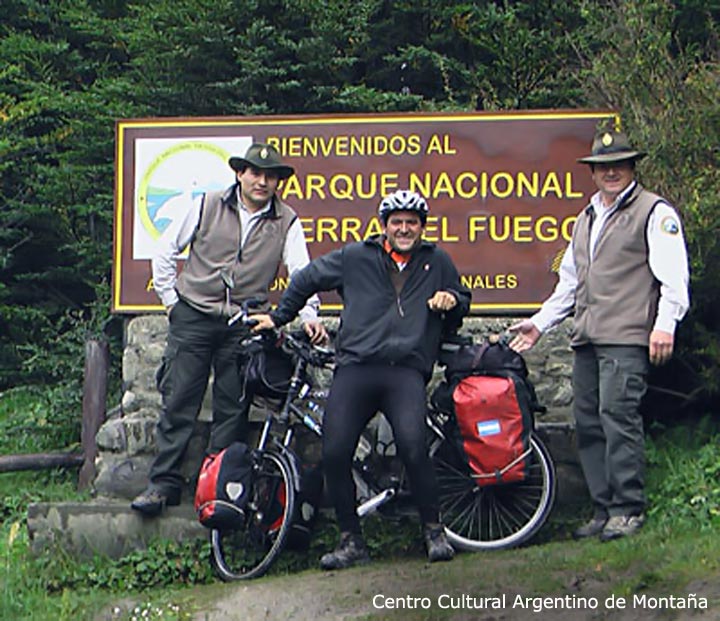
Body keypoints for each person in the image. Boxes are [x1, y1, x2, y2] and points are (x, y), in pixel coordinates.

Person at [252, 189, 471, 567]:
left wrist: (451, 299)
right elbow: (306, 278)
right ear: (384, 226)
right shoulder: (356, 257)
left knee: (413, 447)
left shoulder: (437, 261)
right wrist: (281, 316)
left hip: (405, 370)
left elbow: (460, 302)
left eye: (412, 223)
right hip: (356, 366)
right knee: (335, 452)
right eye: (397, 222)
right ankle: (351, 540)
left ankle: (433, 530)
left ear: (422, 227)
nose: (404, 229)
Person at [509, 129, 690, 541]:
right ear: (593, 173)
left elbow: (673, 278)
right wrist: (539, 323)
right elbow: (570, 284)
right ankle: (603, 508)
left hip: (627, 338)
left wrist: (665, 325)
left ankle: (628, 509)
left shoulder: (654, 212)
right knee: (588, 423)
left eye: (618, 165)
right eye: (602, 167)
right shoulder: (585, 218)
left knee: (619, 419)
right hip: (587, 339)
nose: (610, 172)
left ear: (632, 167)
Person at [131, 142, 326, 516]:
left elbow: (301, 273)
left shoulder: (287, 220)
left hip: (245, 322)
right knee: (179, 401)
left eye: (270, 176)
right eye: (255, 173)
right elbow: (166, 250)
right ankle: (163, 486)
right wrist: (173, 304)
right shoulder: (207, 204)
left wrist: (310, 313)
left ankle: (214, 491)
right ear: (240, 173)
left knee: (232, 411)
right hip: (194, 316)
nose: (262, 181)